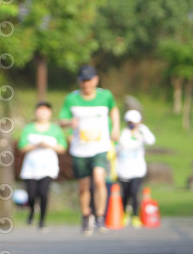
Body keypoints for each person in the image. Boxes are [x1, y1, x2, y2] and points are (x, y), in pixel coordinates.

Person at [59, 65, 120, 235]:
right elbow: (62, 120)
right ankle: (86, 216)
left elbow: (114, 110)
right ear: (79, 81)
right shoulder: (71, 98)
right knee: (83, 186)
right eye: (83, 80)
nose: (87, 84)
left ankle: (100, 216)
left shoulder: (105, 95)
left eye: (89, 80)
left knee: (100, 180)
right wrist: (69, 123)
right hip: (80, 148)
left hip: (100, 146)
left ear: (96, 80)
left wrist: (116, 128)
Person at [18, 101, 67, 231]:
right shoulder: (28, 128)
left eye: (45, 110)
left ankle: (42, 220)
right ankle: (32, 210)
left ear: (50, 113)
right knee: (31, 194)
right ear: (36, 112)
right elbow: (21, 147)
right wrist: (36, 145)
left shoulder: (55, 129)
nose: (43, 113)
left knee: (43, 193)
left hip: (48, 167)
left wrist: (49, 145)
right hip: (30, 167)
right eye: (40, 110)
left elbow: (62, 148)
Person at [116, 109, 156, 228]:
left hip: (138, 170)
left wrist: (142, 129)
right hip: (123, 169)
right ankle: (124, 214)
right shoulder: (123, 133)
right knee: (125, 194)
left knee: (134, 192)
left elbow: (151, 141)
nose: (132, 124)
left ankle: (135, 216)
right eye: (130, 122)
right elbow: (118, 147)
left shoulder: (142, 133)